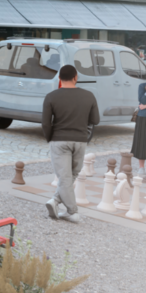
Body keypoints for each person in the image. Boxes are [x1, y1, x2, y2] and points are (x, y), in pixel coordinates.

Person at [43, 64, 100, 223]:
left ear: (59, 79)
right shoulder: (89, 96)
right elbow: (95, 120)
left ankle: (72, 212)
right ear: (76, 77)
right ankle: (54, 201)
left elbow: (46, 123)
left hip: (59, 140)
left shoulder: (51, 96)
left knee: (66, 177)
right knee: (70, 175)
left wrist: (50, 138)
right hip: (80, 141)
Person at [134, 80, 146, 174]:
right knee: (142, 142)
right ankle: (141, 168)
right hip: (143, 117)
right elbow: (142, 100)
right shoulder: (142, 86)